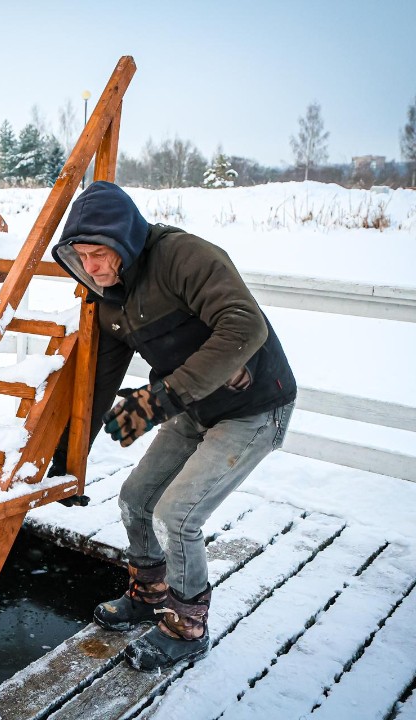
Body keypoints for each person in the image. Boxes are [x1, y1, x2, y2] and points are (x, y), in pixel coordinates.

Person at [49, 181, 297, 672]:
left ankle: (187, 625)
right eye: (82, 256)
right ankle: (149, 592)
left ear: (126, 242)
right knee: (135, 499)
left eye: (101, 254)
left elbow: (245, 326)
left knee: (177, 515)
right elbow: (99, 381)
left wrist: (159, 400)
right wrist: (68, 459)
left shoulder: (183, 257)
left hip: (253, 406)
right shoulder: (110, 297)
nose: (92, 268)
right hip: (193, 406)